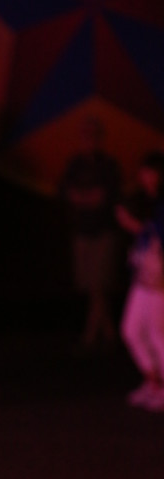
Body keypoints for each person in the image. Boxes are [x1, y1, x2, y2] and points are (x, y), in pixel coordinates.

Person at [60, 117, 121, 350]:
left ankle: (91, 333)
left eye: (93, 134)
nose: (89, 139)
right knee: (91, 284)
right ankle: (109, 331)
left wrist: (84, 198)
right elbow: (68, 193)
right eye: (85, 135)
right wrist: (86, 198)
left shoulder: (109, 166)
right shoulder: (74, 164)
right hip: (82, 231)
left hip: (103, 231)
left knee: (99, 283)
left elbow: (101, 198)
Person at [117, 152, 164, 411]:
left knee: (157, 333)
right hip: (143, 274)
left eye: (150, 171)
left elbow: (157, 235)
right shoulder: (147, 201)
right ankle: (153, 382)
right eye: (143, 171)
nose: (144, 176)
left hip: (158, 277)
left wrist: (132, 225)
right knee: (131, 329)